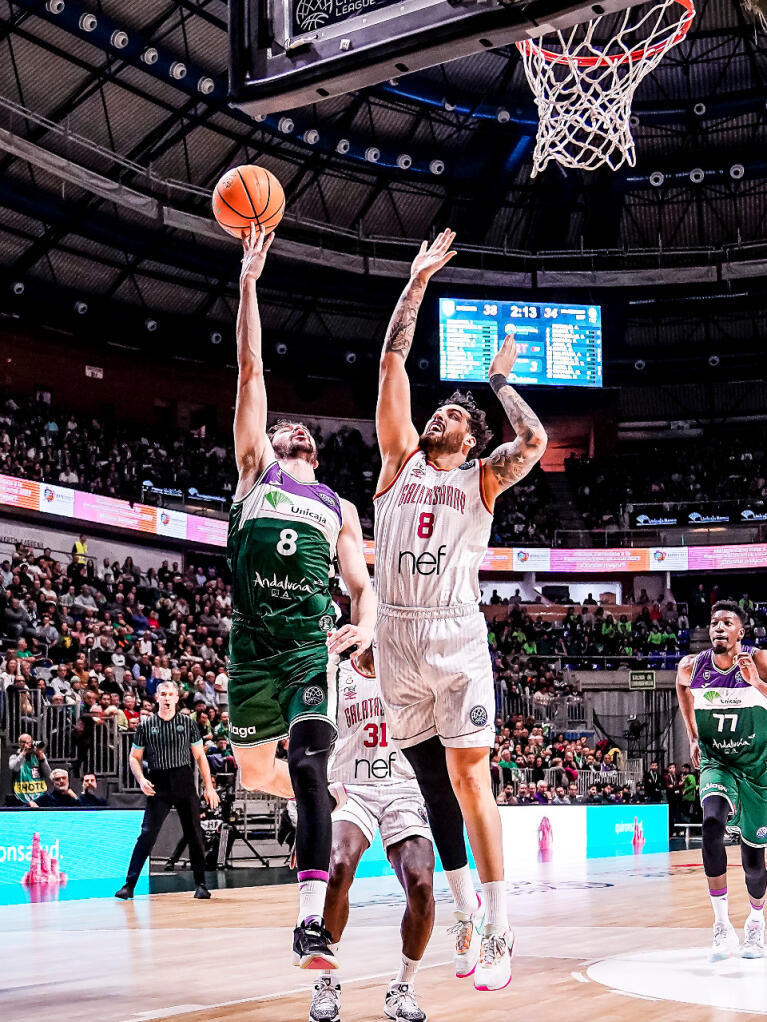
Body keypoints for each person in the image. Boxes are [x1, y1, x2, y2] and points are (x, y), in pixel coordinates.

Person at [373, 230, 548, 991]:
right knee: (431, 788)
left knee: (472, 779)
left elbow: (534, 439)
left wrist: (498, 380)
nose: (439, 416)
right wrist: (414, 283)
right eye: (436, 410)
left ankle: (502, 925)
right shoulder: (397, 460)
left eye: (452, 413)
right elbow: (389, 363)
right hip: (395, 639)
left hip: (452, 635)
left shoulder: (482, 477)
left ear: (472, 436)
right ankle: (466, 910)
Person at [226, 226, 376, 970]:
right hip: (249, 647)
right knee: (257, 774)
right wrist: (249, 282)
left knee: (312, 770)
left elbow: (360, 585)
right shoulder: (254, 472)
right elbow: (251, 368)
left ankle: (309, 924)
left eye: (297, 430)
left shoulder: (337, 504)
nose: (283, 425)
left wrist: (363, 626)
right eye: (279, 426)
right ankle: (327, 802)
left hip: (309, 647)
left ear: (311, 449)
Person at [308, 647, 434, 1022]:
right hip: (350, 785)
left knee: (422, 883)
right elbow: (312, 734)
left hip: (403, 787)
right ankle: (325, 983)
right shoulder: (338, 672)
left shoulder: (415, 671)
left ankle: (403, 987)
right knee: (338, 867)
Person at [676, 600, 767, 962]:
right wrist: (693, 734)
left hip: (758, 769)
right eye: (714, 623)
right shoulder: (692, 666)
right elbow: (681, 688)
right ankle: (721, 923)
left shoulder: (758, 661)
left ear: (740, 633)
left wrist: (757, 683)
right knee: (711, 823)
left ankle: (756, 924)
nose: (718, 627)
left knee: (753, 861)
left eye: (727, 622)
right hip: (719, 762)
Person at [115, 680, 219, 900]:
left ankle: (200, 884)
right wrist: (141, 779)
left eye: (171, 694)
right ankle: (129, 885)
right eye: (163, 694)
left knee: (194, 834)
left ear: (177, 697)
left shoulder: (188, 724)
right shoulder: (146, 725)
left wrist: (209, 787)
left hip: (184, 782)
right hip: (158, 783)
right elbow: (134, 757)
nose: (167, 697)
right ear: (157, 698)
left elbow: (200, 756)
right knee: (147, 835)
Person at [8, 733, 52, 806]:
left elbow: (48, 773)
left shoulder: (38, 756)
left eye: (29, 742)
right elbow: (14, 768)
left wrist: (40, 755)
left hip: (39, 795)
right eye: (24, 742)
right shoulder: (14, 756)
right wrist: (24, 752)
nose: (27, 744)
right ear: (19, 744)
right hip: (21, 796)